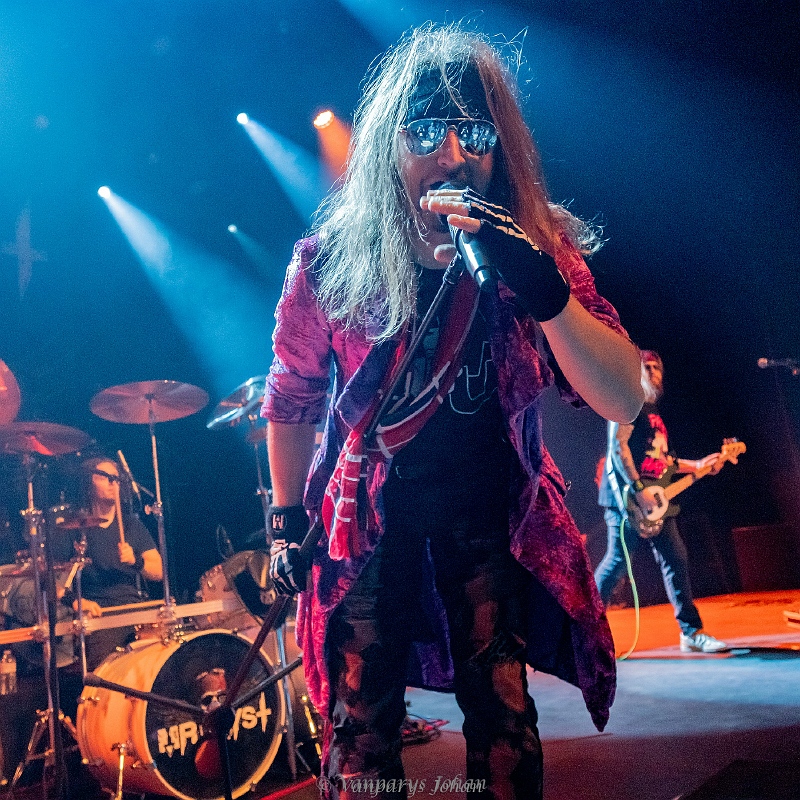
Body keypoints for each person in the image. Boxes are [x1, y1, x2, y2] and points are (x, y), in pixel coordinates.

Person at [262, 24, 644, 799]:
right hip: (366, 524)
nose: (454, 155)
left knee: (504, 716)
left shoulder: (535, 249)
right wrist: (284, 519)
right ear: (386, 147)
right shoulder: (331, 262)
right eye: (425, 133)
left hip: (488, 518)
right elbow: (291, 397)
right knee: (360, 726)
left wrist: (545, 290)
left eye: (476, 134)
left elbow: (623, 394)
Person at [595, 350, 727, 653]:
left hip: (656, 499)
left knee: (676, 558)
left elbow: (663, 460)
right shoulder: (628, 401)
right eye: (647, 366)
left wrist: (698, 465)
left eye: (657, 367)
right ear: (636, 371)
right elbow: (617, 448)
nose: (653, 371)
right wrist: (637, 488)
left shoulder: (653, 411)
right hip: (627, 499)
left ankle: (691, 632)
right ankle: (585, 635)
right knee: (617, 563)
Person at [63, 456, 162, 670]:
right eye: (104, 477)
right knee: (108, 673)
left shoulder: (131, 525)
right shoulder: (75, 529)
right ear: (89, 485)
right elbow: (54, 582)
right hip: (100, 616)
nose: (112, 482)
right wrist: (77, 602)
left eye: (115, 478)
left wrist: (136, 561)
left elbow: (158, 571)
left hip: (136, 610)